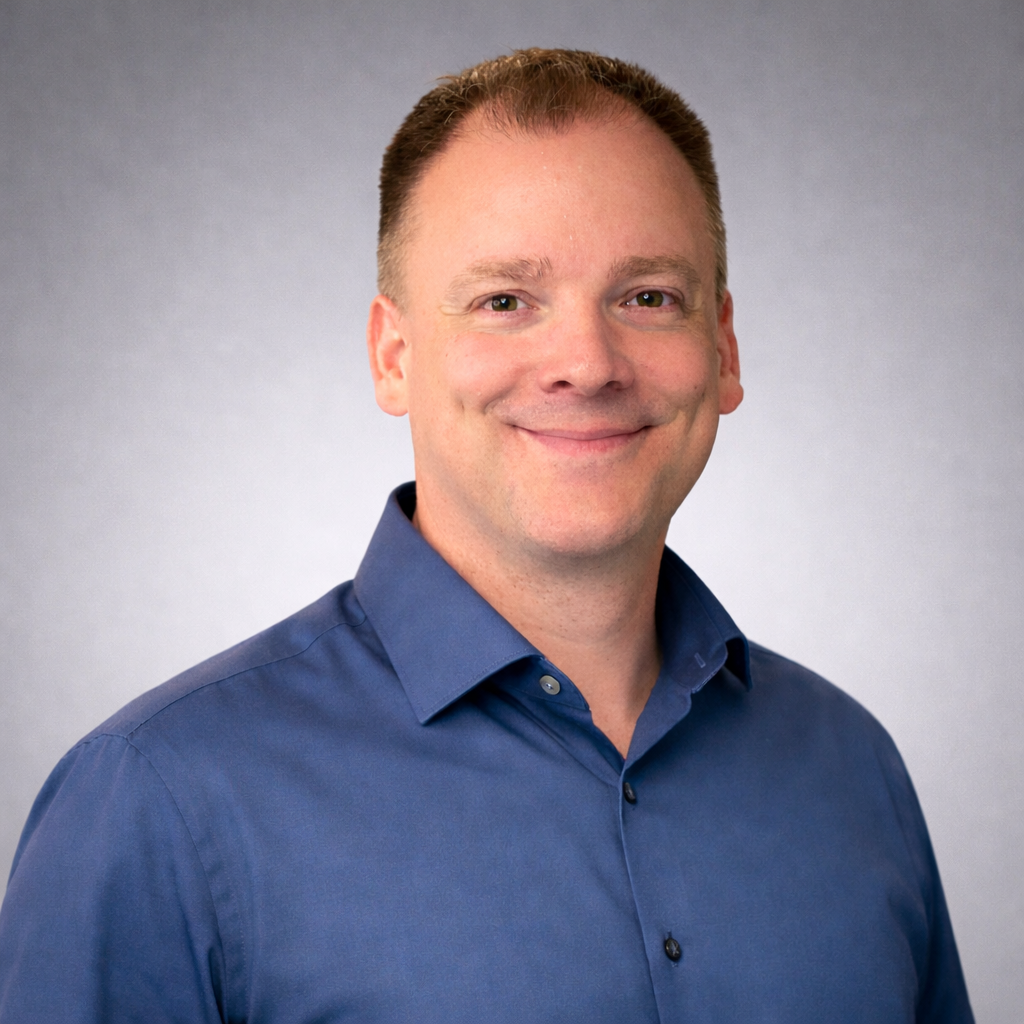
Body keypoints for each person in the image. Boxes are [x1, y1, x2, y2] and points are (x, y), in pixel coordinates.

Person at [0, 48, 972, 1023]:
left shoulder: (851, 767)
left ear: (720, 348)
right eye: (505, 301)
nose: (587, 362)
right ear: (393, 355)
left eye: (647, 297)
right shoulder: (157, 800)